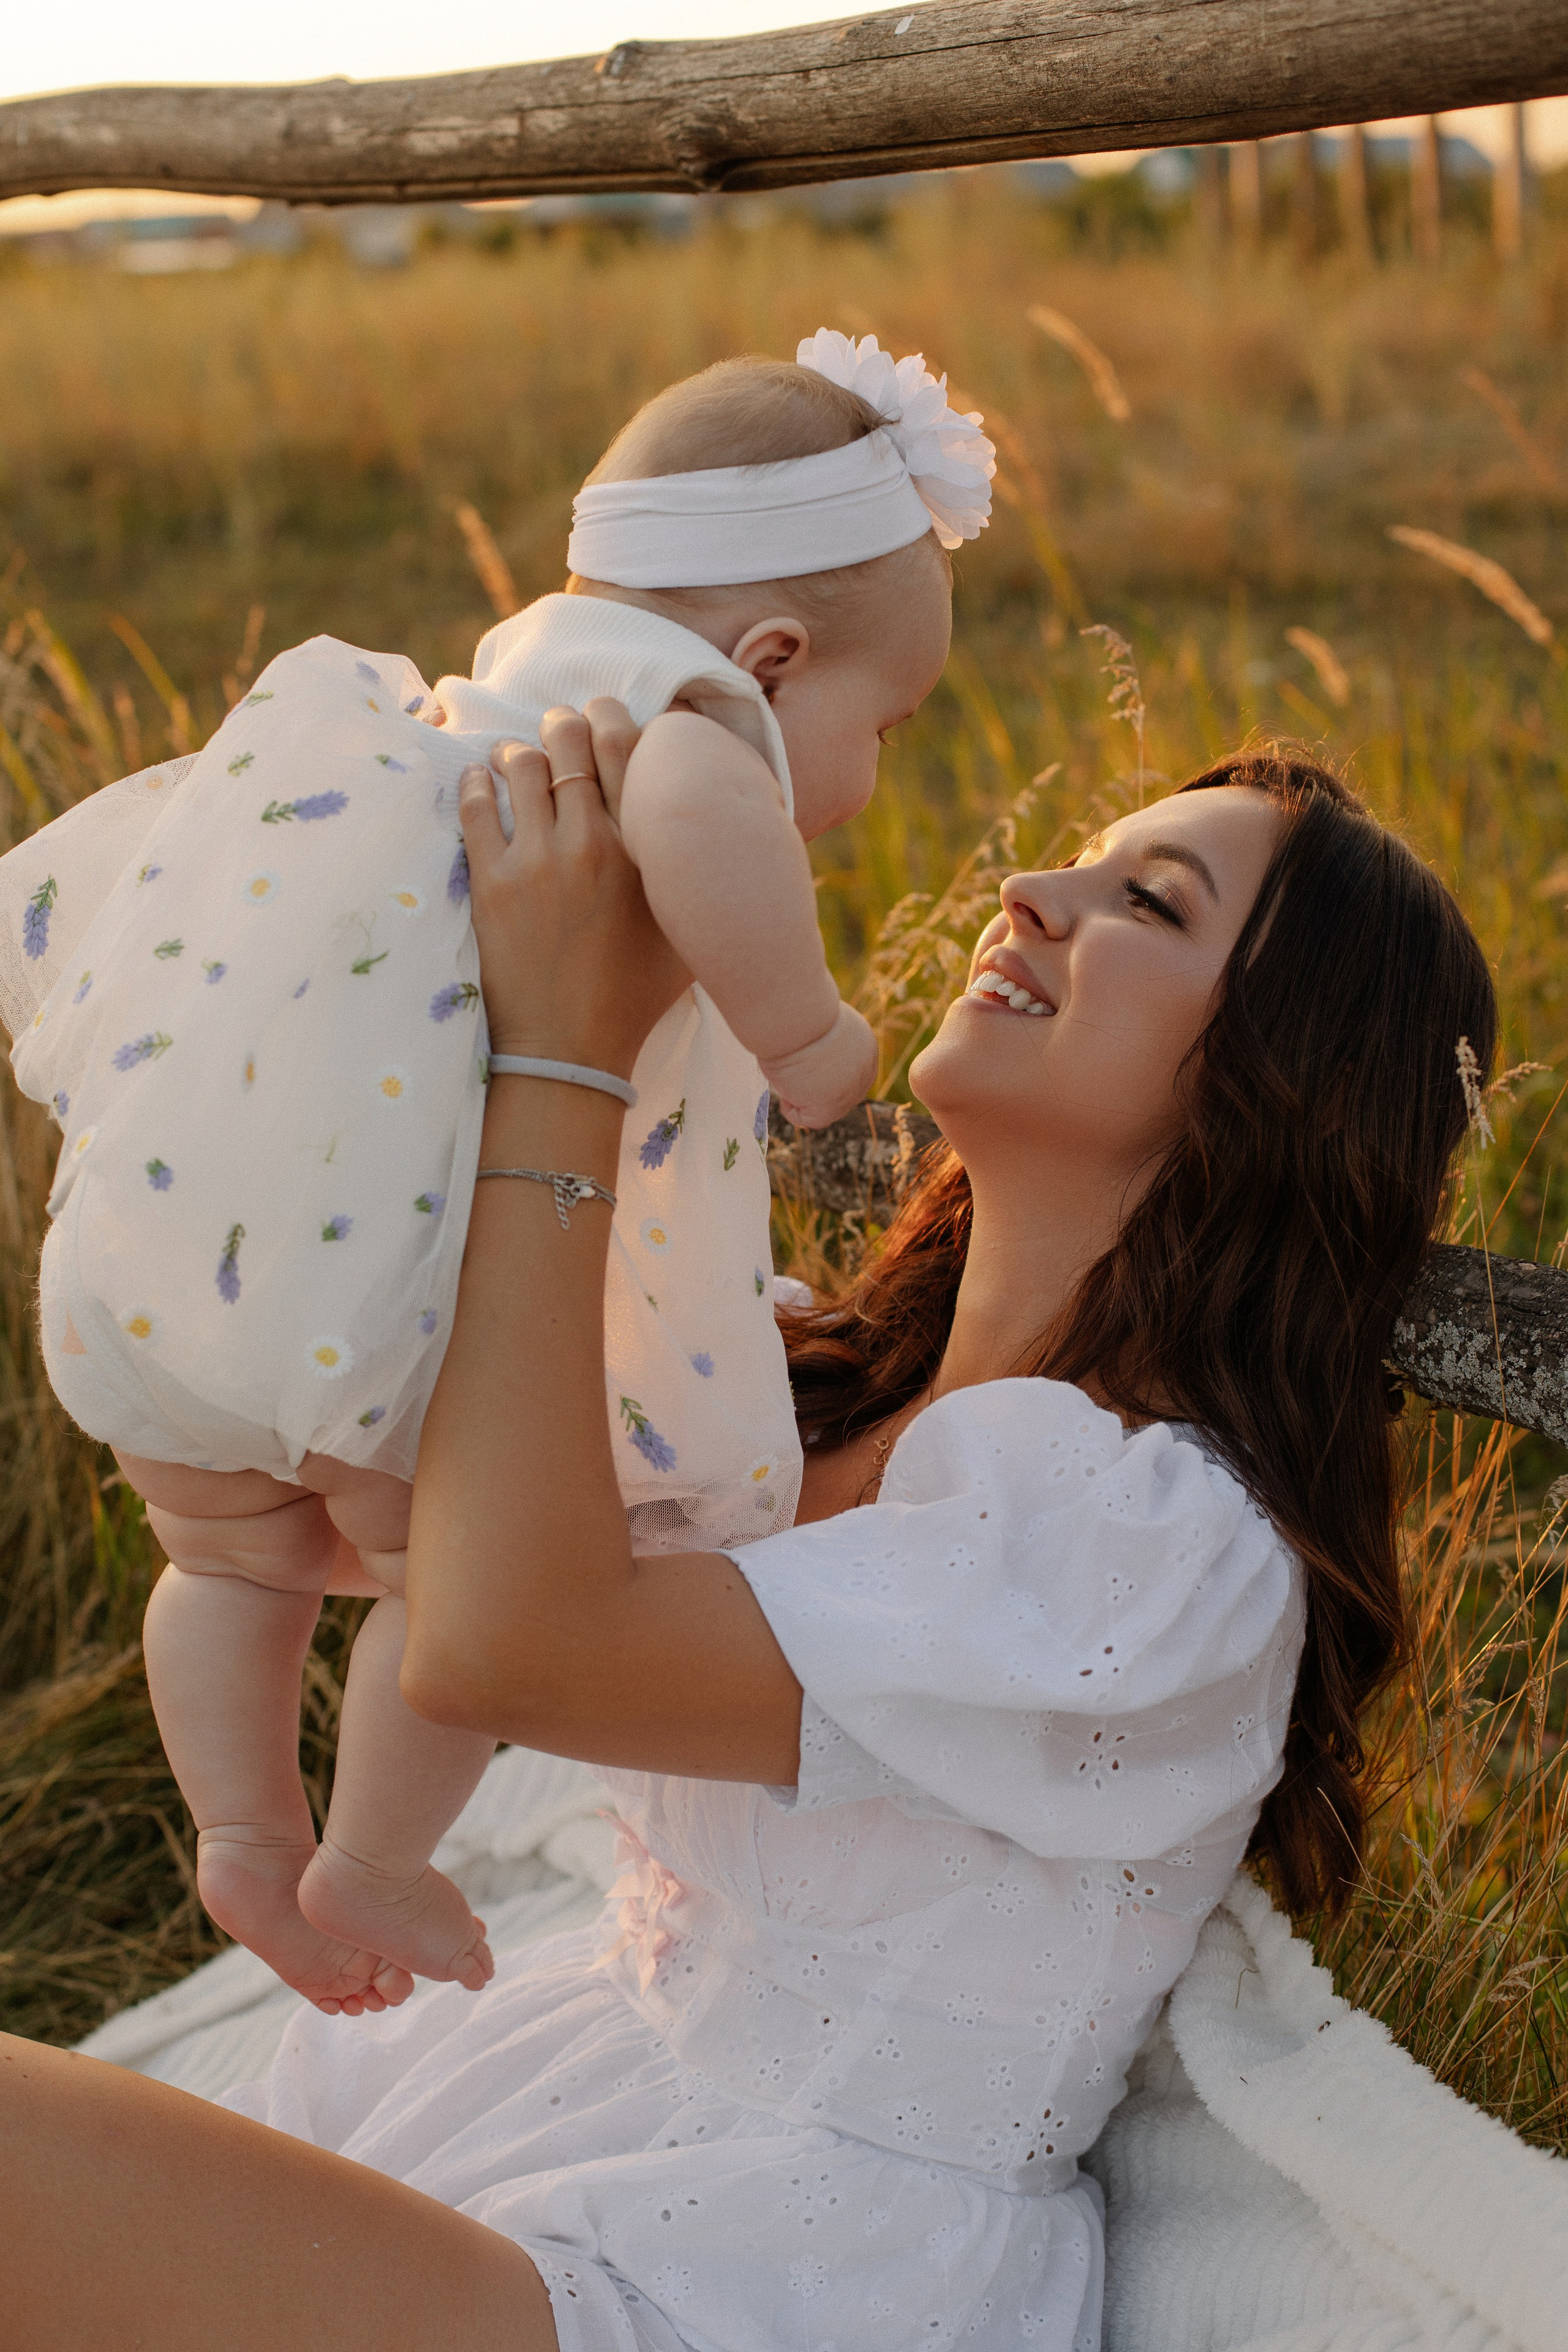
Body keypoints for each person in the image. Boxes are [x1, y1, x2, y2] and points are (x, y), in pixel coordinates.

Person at [0, 728, 1495, 2352]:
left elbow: (512, 1645)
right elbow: (393, 1534)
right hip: (564, 2095)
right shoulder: (801, 1386)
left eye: (1150, 898)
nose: (1030, 893)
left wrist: (562, 1055)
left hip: (787, 2269)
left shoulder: (1152, 1544)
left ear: (1287, 1074)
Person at [0, 333, 984, 2016]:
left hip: (160, 1268)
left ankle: (241, 1831)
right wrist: (807, 1033)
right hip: (366, 1308)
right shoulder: (679, 726)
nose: (866, 774)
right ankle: (371, 1859)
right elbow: (698, 813)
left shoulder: (474, 700)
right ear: (771, 655)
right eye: (883, 723)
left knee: (224, 1561)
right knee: (439, 1584)